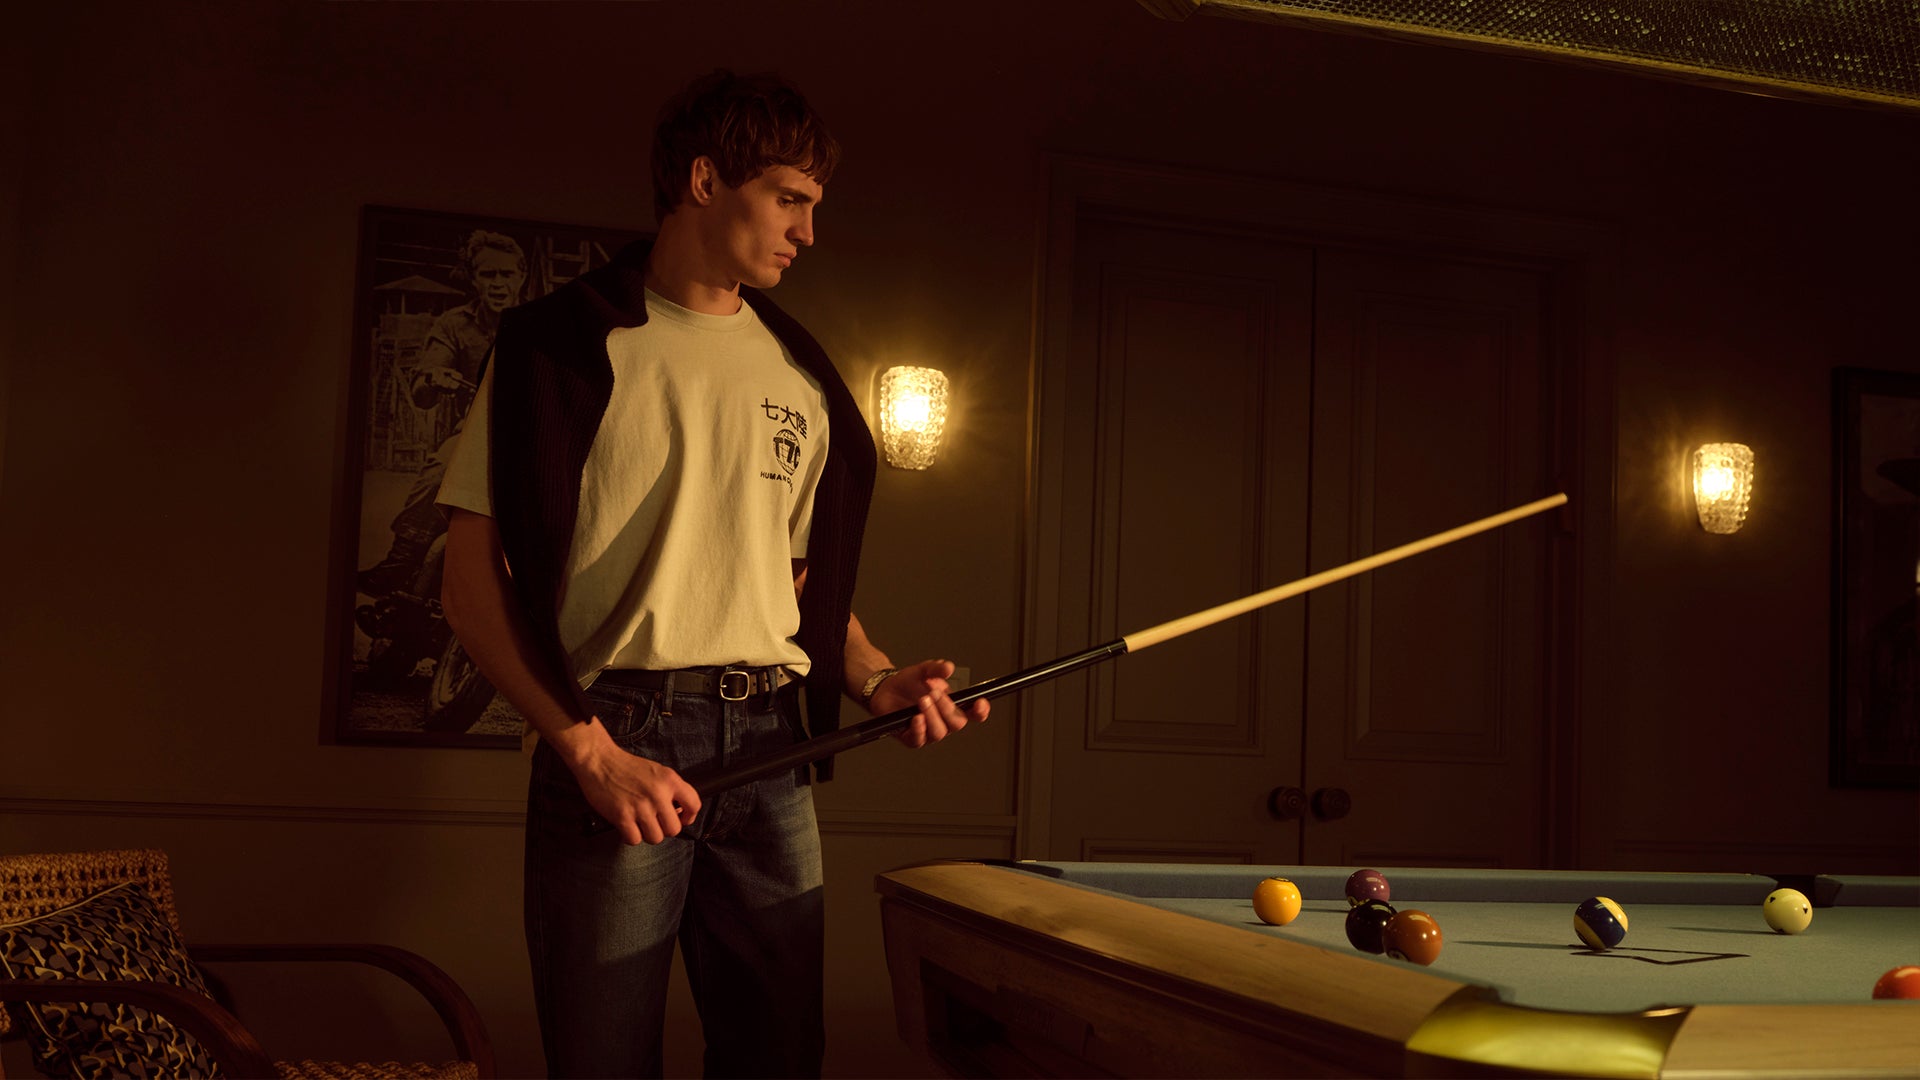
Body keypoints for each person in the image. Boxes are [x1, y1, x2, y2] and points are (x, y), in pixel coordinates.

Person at [434, 69, 987, 1079]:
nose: (807, 234)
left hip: (773, 748)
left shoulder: (804, 380)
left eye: (814, 208)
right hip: (617, 737)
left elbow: (787, 580)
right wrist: (589, 756)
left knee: (778, 1061)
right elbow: (469, 590)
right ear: (703, 180)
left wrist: (870, 674)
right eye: (790, 199)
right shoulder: (554, 350)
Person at [358, 230, 528, 598]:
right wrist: (433, 377)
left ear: (521, 275)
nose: (498, 284)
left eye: (506, 274)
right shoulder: (454, 324)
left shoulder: (545, 322)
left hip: (536, 435)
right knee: (442, 469)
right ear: (473, 279)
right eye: (488, 275)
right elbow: (421, 395)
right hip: (474, 434)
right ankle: (401, 560)